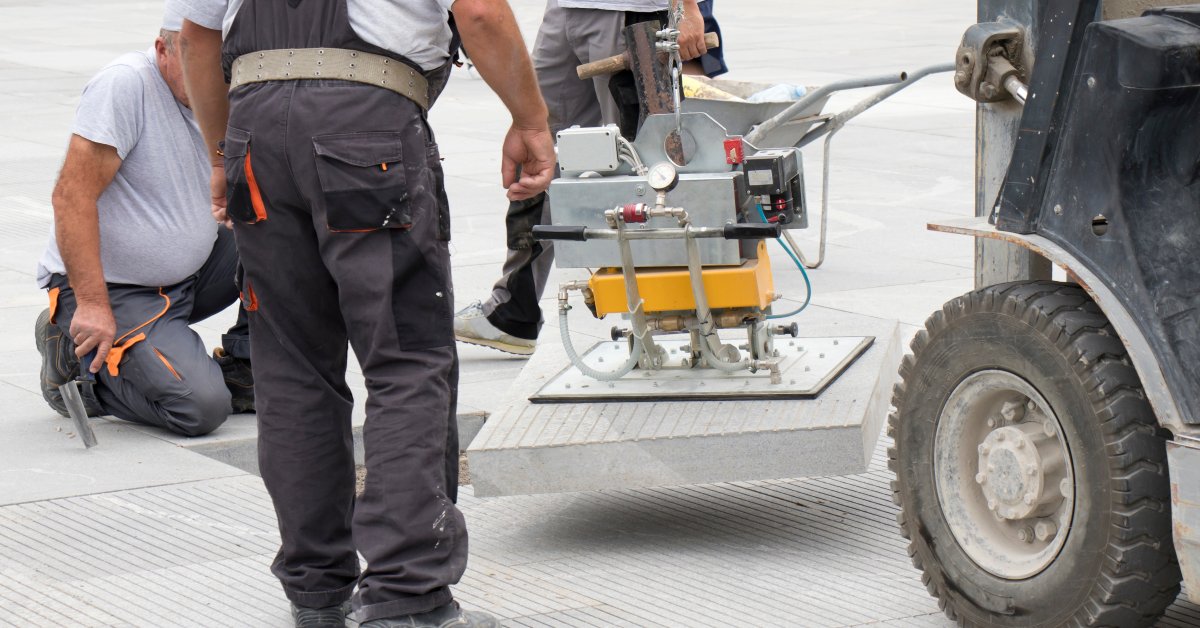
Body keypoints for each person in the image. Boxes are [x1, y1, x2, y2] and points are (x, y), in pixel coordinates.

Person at [177, 0, 554, 626]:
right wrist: (531, 119)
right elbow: (481, 12)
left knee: (292, 365)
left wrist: (221, 157)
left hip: (256, 134)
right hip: (366, 124)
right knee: (405, 360)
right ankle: (408, 598)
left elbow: (193, 37)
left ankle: (317, 590)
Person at [33, 7, 253, 439]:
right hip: (114, 289)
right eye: (199, 64)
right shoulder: (126, 84)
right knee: (200, 407)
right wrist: (93, 304)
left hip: (192, 276)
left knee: (284, 234)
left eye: (222, 66)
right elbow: (71, 197)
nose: (215, 80)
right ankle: (75, 367)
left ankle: (244, 367)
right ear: (162, 50)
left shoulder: (232, 91)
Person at [452, 0, 714, 356]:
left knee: (640, 160)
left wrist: (687, 8)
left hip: (632, 10)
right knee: (538, 144)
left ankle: (661, 319)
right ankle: (515, 309)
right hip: (564, 9)